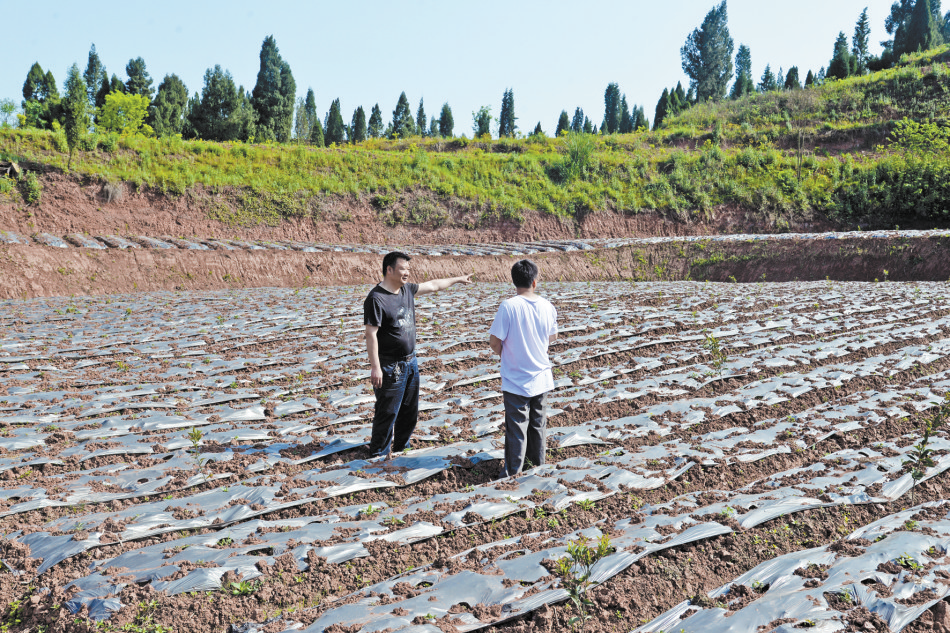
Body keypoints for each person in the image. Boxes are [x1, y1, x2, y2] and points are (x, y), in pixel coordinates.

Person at [364, 251, 472, 458]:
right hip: (390, 365)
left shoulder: (406, 290)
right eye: (403, 269)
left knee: (409, 410)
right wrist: (376, 367)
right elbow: (371, 334)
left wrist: (457, 279)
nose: (407, 273)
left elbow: (433, 285)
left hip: (410, 362)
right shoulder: (376, 299)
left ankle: (401, 447)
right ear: (389, 269)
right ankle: (378, 454)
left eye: (408, 269)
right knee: (387, 412)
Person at [488, 259, 558, 477]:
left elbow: (494, 341)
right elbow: (552, 337)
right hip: (541, 376)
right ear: (534, 282)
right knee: (538, 424)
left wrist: (505, 354)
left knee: (517, 427)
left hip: (515, 377)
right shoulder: (548, 306)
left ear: (514, 282)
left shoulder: (508, 306)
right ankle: (537, 468)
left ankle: (513, 473)